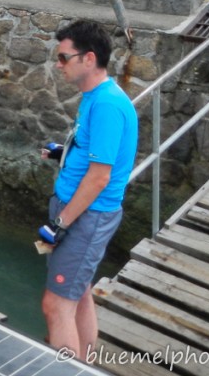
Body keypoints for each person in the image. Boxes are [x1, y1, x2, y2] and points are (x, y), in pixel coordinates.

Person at [39, 20, 138, 360]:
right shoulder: (94, 97)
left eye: (64, 58)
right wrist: (61, 153)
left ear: (89, 59)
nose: (58, 64)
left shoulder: (108, 105)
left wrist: (60, 223)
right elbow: (91, 151)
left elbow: (100, 177)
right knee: (78, 294)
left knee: (55, 306)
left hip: (85, 216)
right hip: (77, 210)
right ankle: (86, 364)